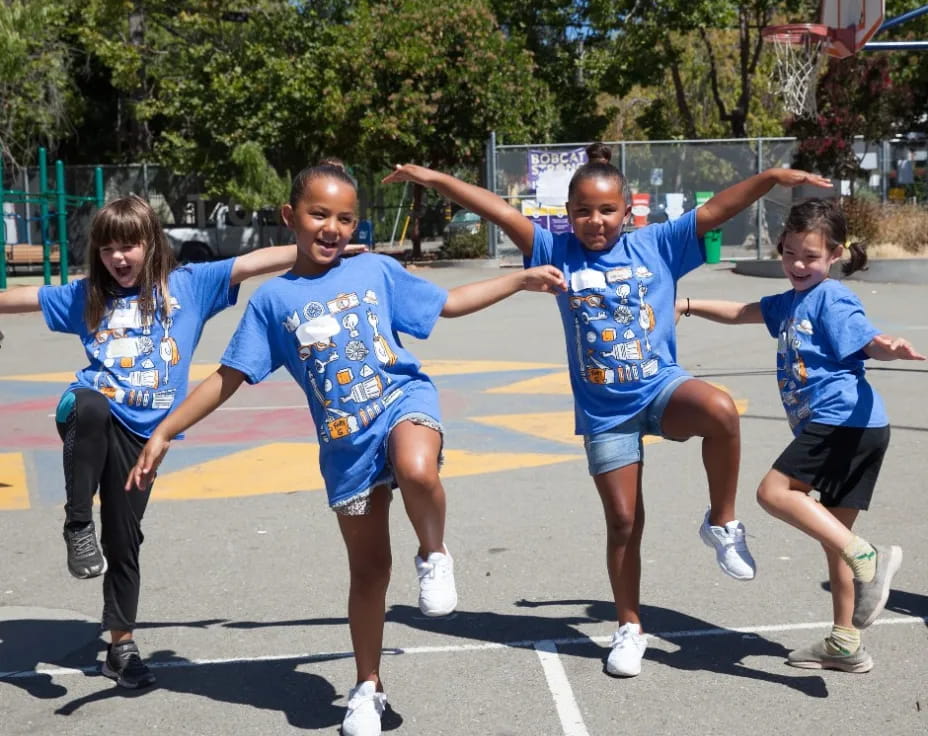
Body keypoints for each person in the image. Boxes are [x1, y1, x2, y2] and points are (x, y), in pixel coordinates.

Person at [125, 160, 566, 736]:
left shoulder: (378, 272)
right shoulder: (272, 301)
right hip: (345, 445)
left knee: (416, 467)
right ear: (291, 217)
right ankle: (368, 687)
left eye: (345, 218)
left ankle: (434, 554)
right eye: (319, 215)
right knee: (369, 572)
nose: (333, 228)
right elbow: (226, 378)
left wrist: (518, 279)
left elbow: (448, 305)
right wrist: (162, 431)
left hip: (402, 401)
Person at [383, 145, 833, 679]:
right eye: (582, 211)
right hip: (604, 413)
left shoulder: (659, 244)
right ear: (567, 214)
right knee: (624, 522)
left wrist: (772, 178)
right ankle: (629, 626)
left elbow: (718, 211)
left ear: (627, 211)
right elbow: (495, 210)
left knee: (719, 410)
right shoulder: (553, 248)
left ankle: (722, 521)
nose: (594, 222)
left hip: (660, 389)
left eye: (606, 210)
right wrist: (431, 174)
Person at [0, 194, 298, 688]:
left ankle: (119, 646)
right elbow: (23, 298)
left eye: (129, 246)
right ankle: (77, 525)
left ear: (151, 245)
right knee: (90, 404)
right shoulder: (86, 297)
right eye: (108, 248)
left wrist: (322, 247)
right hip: (90, 416)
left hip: (147, 437)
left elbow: (253, 261)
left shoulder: (188, 287)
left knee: (125, 538)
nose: (118, 258)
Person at [678, 197, 921, 673]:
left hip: (842, 422)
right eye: (790, 253)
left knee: (773, 492)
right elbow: (741, 311)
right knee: (835, 536)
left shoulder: (832, 298)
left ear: (834, 255)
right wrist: (687, 304)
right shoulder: (791, 301)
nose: (797, 264)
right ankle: (846, 642)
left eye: (810, 256)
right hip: (863, 428)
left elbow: (865, 337)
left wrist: (885, 347)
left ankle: (867, 554)